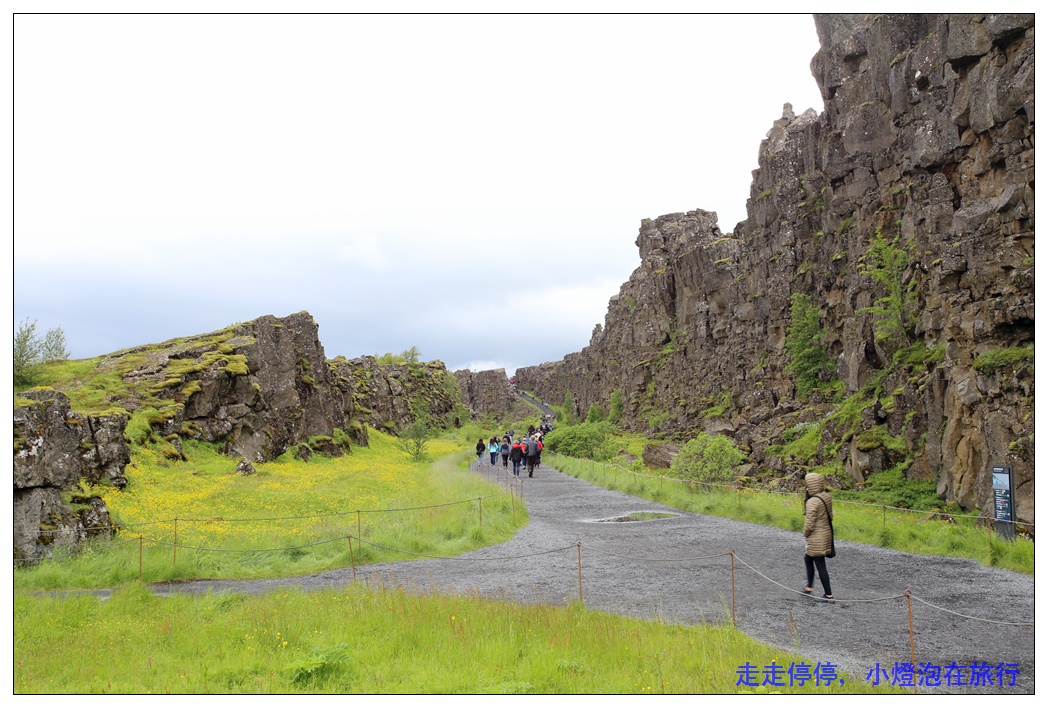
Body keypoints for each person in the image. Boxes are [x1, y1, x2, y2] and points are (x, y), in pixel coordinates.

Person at [802, 472, 834, 601]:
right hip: (826, 533)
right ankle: (809, 587)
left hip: (816, 536)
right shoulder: (826, 497)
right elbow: (830, 515)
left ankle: (828, 595)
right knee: (808, 559)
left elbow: (809, 524)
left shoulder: (812, 502)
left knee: (820, 565)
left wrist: (805, 534)